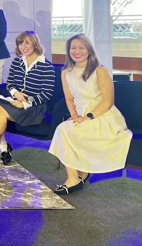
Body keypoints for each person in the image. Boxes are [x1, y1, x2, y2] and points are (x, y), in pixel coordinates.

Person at [49, 34, 132, 195]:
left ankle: (74, 178)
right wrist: (74, 115)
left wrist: (88, 117)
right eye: (73, 48)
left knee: (64, 130)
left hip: (102, 116)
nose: (77, 51)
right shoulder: (65, 72)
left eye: (81, 47)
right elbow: (69, 98)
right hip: (80, 115)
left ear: (89, 50)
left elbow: (108, 101)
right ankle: (78, 174)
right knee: (66, 128)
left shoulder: (99, 70)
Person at [0, 31, 55, 165]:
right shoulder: (17, 62)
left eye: (27, 43)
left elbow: (47, 94)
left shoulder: (46, 66)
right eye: (20, 43)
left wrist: (25, 103)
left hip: (34, 108)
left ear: (35, 44)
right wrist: (16, 94)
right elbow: (10, 84)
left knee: (0, 112)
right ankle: (3, 147)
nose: (23, 46)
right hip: (16, 101)